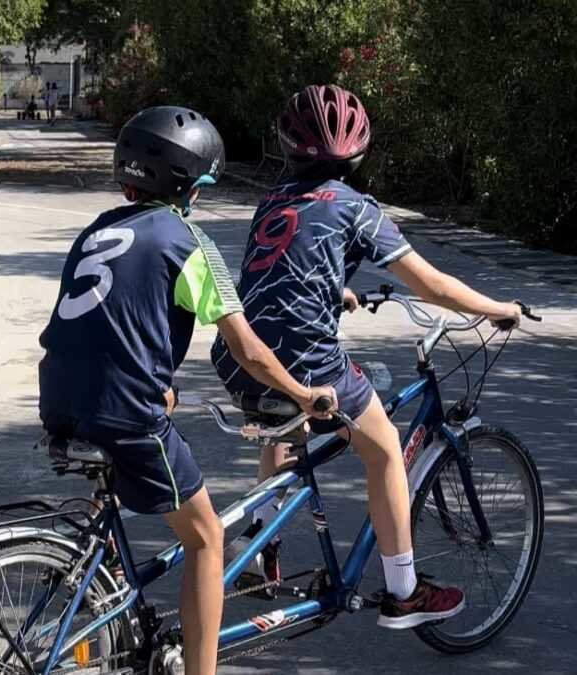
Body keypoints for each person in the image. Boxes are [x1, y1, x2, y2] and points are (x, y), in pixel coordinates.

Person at [212, 84, 523, 629]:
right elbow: (431, 285)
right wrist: (497, 307)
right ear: (357, 155)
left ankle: (264, 557)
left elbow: (283, 269)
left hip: (241, 355)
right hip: (306, 358)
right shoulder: (357, 208)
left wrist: (337, 290)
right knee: (382, 451)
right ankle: (404, 590)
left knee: (287, 434)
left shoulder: (274, 199)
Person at [38, 106, 336, 675]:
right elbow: (249, 351)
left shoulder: (97, 229)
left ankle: (114, 610)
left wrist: (160, 387)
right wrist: (303, 394)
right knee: (205, 538)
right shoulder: (189, 241)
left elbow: (106, 323)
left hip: (58, 394)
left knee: (128, 492)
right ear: (188, 184)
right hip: (125, 410)